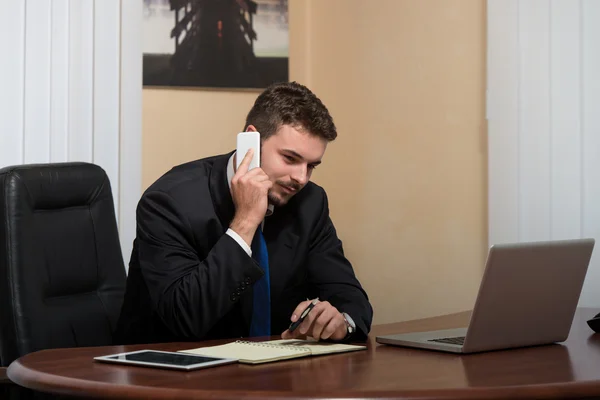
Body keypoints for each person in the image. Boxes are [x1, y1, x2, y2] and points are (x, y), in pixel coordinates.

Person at [114, 81, 373, 345]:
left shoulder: (310, 202)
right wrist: (246, 221)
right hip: (166, 373)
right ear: (252, 140)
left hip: (270, 372)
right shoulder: (169, 201)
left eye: (311, 166)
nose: (301, 178)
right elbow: (185, 317)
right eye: (290, 159)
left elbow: (350, 296)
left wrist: (341, 321)